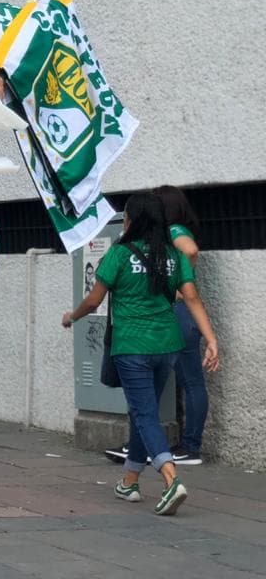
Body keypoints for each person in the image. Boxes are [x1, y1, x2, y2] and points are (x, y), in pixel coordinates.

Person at [63, 193, 218, 515]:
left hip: (132, 347)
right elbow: (191, 298)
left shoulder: (119, 254)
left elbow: (93, 301)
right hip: (167, 347)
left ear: (130, 221)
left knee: (145, 414)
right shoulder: (172, 256)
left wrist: (72, 317)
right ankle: (129, 481)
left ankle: (171, 479)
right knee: (141, 413)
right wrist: (211, 339)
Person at [103, 185, 209, 466]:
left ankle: (188, 447)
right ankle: (149, 446)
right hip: (174, 316)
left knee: (185, 381)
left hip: (175, 313)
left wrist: (171, 289)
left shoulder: (173, 232)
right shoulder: (164, 235)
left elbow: (191, 251)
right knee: (170, 382)